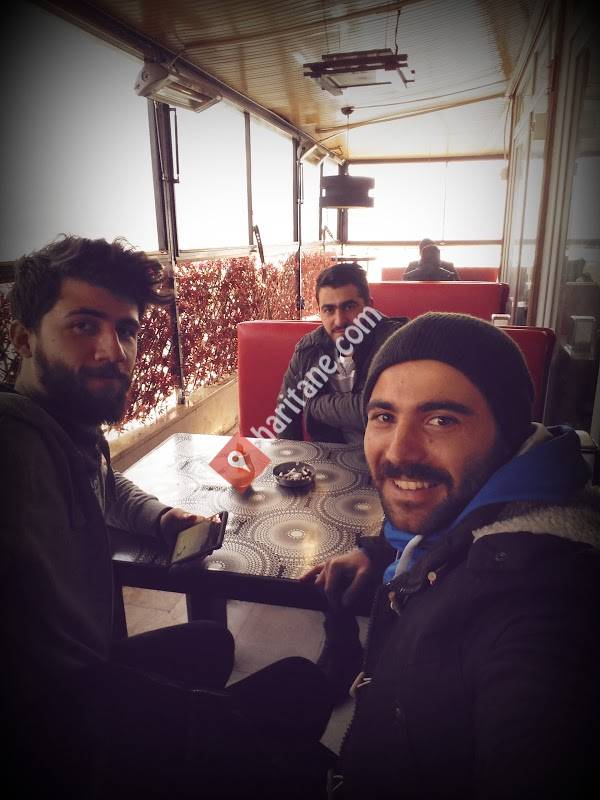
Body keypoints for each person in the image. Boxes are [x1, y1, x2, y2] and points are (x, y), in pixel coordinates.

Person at [1, 236, 333, 798]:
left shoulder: (69, 432)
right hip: (59, 724)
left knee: (212, 642)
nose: (112, 351)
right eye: (83, 325)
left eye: (126, 330)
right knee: (302, 688)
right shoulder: (15, 445)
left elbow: (107, 485)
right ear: (22, 338)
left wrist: (161, 519)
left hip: (95, 666)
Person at [305, 312, 600, 798]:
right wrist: (379, 556)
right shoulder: (485, 502)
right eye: (384, 417)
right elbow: (444, 529)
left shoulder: (545, 608)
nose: (399, 451)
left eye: (441, 419)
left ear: (509, 431)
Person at [274, 262, 407, 442]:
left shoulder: (396, 343)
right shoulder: (308, 349)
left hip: (385, 452)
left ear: (369, 307)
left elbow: (379, 411)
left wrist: (314, 405)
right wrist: (289, 456)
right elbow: (286, 413)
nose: (339, 321)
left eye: (349, 307)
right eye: (329, 310)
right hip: (327, 454)